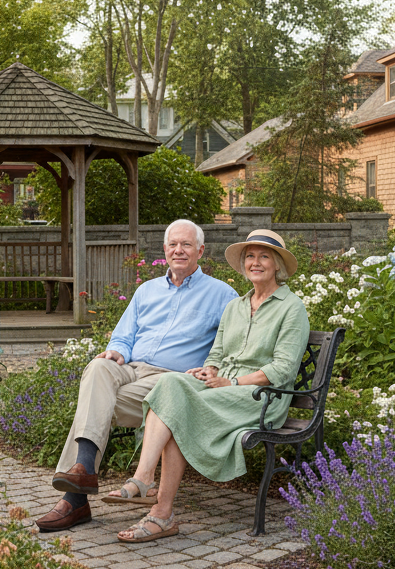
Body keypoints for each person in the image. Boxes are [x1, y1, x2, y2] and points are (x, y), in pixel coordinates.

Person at [107, 228, 309, 542]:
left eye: (264, 256)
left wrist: (233, 380)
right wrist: (209, 369)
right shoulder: (236, 306)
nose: (255, 262)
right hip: (224, 387)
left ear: (278, 265)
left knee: (179, 411)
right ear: (243, 264)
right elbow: (217, 351)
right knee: (172, 384)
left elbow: (282, 369)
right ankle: (145, 479)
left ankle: (161, 512)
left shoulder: (291, 308)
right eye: (250, 256)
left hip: (262, 396)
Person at [35, 219, 237, 532]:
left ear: (201, 250)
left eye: (186, 244)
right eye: (173, 244)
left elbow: (229, 346)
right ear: (165, 250)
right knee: (99, 366)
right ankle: (84, 470)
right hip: (130, 369)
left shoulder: (223, 295)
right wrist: (116, 349)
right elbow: (123, 336)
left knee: (92, 406)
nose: (178, 250)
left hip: (170, 381)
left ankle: (74, 499)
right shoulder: (147, 291)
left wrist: (212, 368)